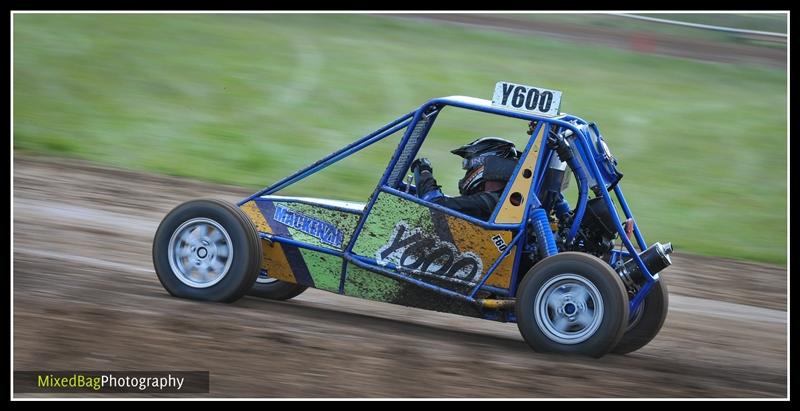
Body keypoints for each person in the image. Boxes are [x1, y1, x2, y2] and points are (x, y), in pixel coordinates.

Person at [410, 137, 520, 221]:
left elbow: (431, 205)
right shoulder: (510, 199)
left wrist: (424, 172)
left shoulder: (489, 201)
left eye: (468, 166)